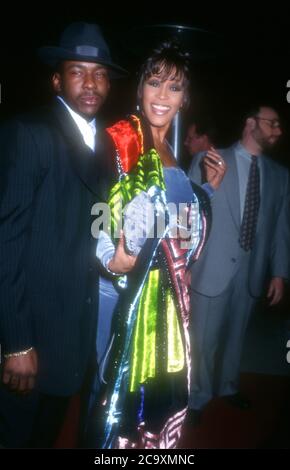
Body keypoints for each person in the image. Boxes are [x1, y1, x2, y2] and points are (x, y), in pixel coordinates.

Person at [87, 40, 226, 449]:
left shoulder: (169, 150)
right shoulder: (123, 141)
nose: (163, 96)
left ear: (186, 99)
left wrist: (206, 194)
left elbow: (174, 230)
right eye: (155, 83)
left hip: (167, 302)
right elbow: (98, 214)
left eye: (175, 87)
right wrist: (115, 259)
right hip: (126, 299)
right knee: (116, 409)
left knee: (151, 406)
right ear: (140, 90)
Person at [0, 21, 126, 448]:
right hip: (32, 331)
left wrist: (115, 253)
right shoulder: (28, 132)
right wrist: (16, 342)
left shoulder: (106, 145)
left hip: (76, 328)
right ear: (57, 79)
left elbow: (96, 221)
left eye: (100, 74)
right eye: (78, 71)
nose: (91, 83)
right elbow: (7, 240)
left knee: (51, 433)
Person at [188, 105, 290, 422]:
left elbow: (280, 227)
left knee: (236, 337)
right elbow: (188, 216)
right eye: (272, 123)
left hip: (252, 271)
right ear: (250, 124)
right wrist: (185, 263)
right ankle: (197, 397)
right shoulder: (208, 159)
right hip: (211, 266)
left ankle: (228, 387)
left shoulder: (280, 175)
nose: (278, 130)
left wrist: (279, 272)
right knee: (203, 340)